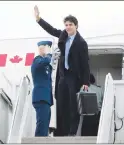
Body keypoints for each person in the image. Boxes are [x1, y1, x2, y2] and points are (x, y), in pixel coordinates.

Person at [34, 6, 90, 136]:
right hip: (62, 75)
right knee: (61, 104)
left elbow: (85, 63)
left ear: (76, 26)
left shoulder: (81, 43)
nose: (68, 27)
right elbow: (51, 29)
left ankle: (72, 131)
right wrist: (38, 19)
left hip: (73, 76)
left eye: (70, 24)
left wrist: (85, 81)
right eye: (66, 25)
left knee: (72, 106)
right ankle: (62, 131)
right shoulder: (63, 35)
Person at [31, 40, 55, 136]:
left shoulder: (46, 66)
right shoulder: (37, 61)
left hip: (46, 99)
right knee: (42, 124)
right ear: (41, 48)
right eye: (46, 47)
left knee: (45, 124)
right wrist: (48, 54)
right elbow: (45, 61)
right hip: (40, 97)